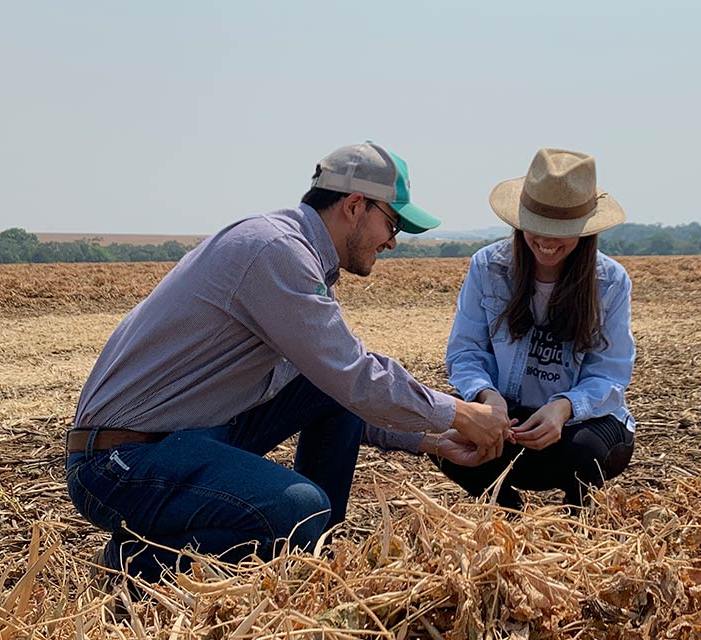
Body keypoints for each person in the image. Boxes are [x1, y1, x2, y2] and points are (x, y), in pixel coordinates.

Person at [66, 141, 509, 581]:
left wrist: (430, 441)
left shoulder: (296, 255)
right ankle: (135, 563)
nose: (393, 241)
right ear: (355, 206)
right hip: (120, 461)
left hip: (181, 440)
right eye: (392, 223)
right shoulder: (276, 252)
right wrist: (460, 412)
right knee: (300, 510)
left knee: (325, 399)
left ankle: (312, 558)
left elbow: (337, 387)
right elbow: (357, 376)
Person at [437, 148, 637, 510]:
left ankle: (577, 514)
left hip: (576, 425)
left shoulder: (609, 281)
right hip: (508, 419)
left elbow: (610, 373)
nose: (546, 241)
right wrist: (487, 399)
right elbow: (466, 352)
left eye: (561, 231)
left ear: (584, 231)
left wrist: (563, 408)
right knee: (444, 435)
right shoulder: (488, 267)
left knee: (586, 452)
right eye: (537, 227)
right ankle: (508, 513)